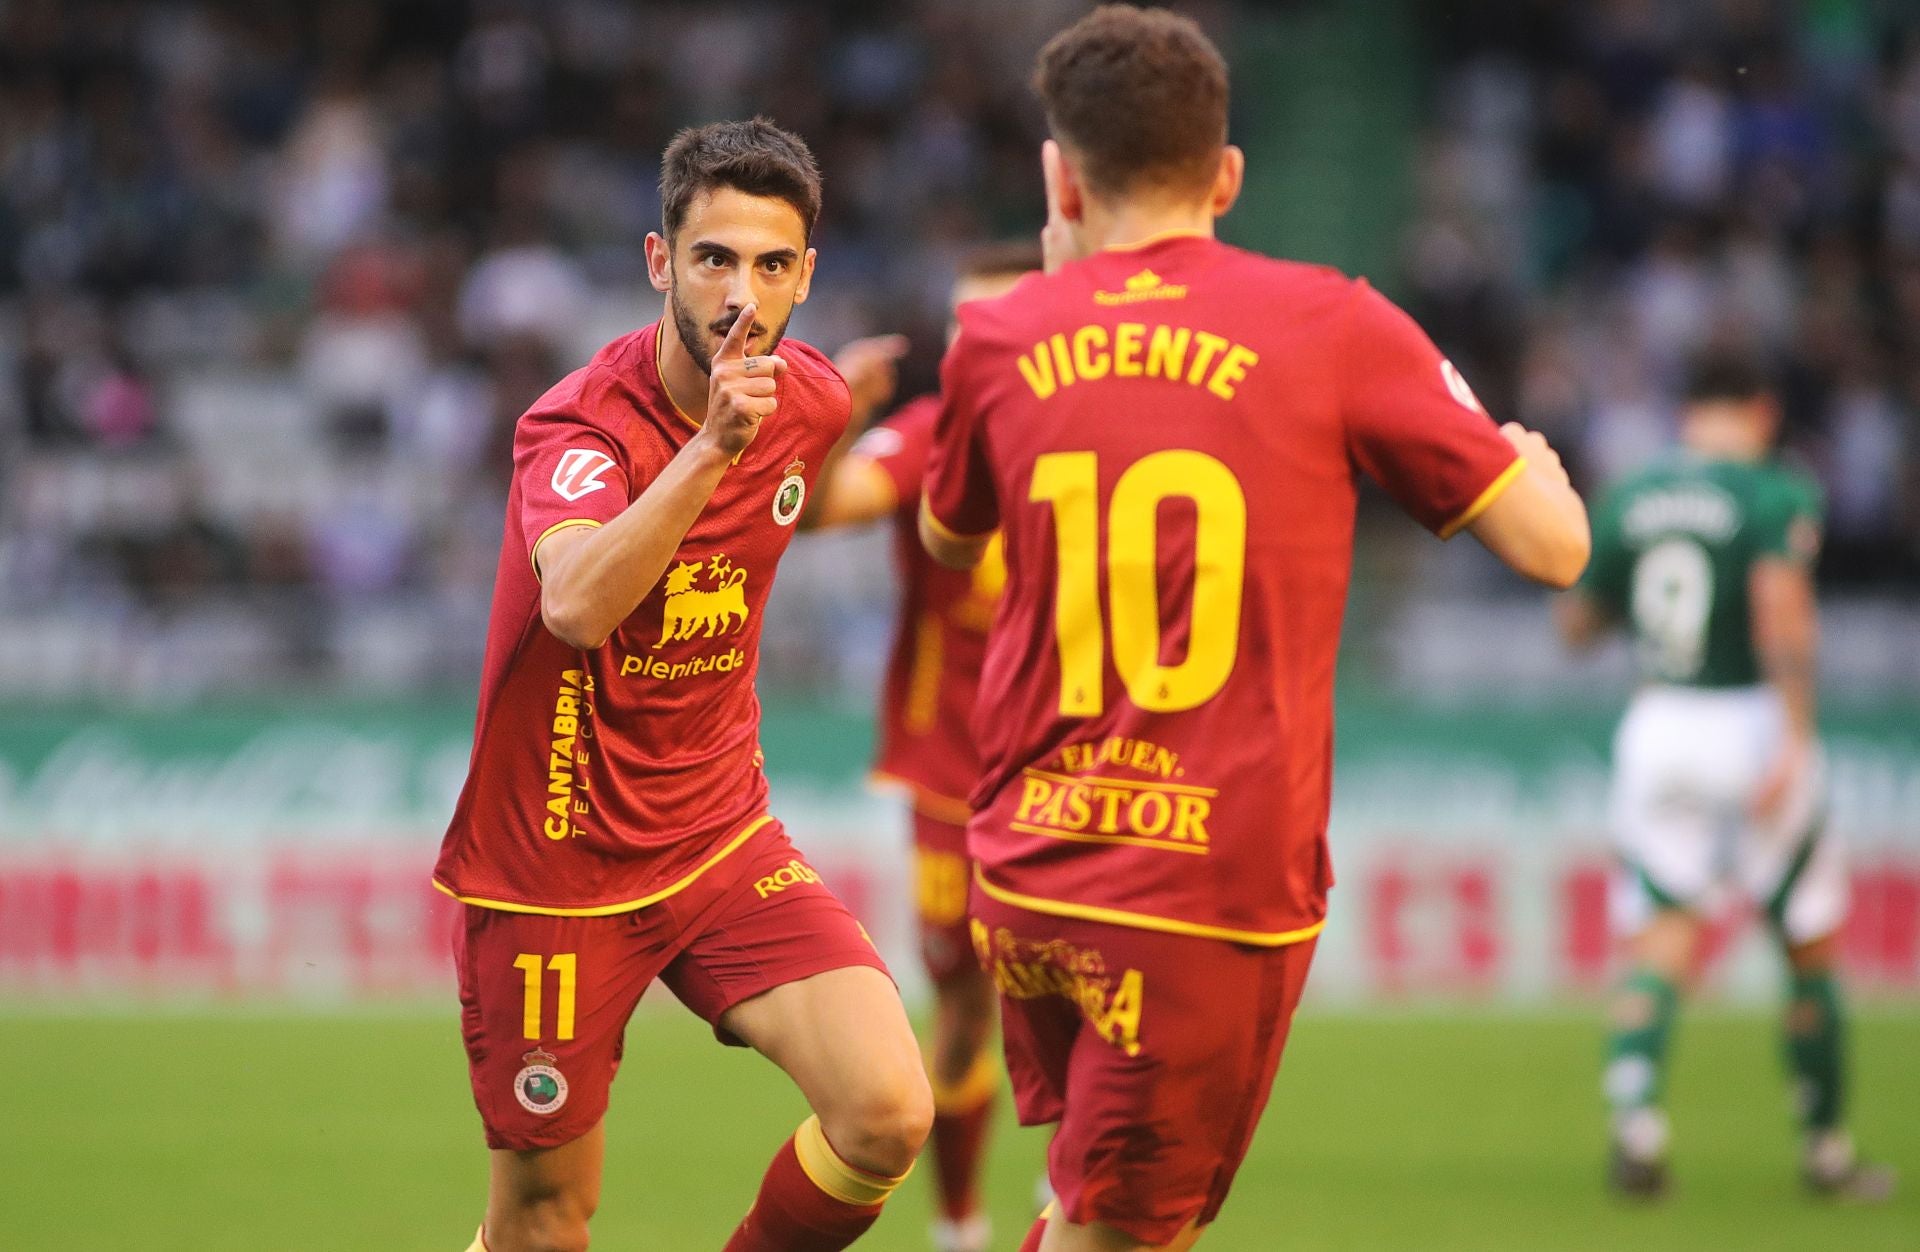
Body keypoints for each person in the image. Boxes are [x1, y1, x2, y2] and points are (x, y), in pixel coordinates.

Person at [917, 8, 1591, 1250]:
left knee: (1087, 1205)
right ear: (1227, 176)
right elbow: (1555, 551)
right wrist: (1533, 461)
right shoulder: (1330, 322)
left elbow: (949, 538)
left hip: (1024, 871)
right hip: (1200, 895)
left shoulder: (998, 338)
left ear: (1061, 176)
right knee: (1126, 1231)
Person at [432, 117, 932, 1252]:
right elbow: (577, 605)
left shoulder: (803, 399)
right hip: (551, 869)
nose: (740, 295)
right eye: (713, 259)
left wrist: (837, 420)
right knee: (545, 1219)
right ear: (661, 263)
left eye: (770, 265)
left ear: (808, 275)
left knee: (886, 1112)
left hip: (716, 839)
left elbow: (821, 457)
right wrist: (711, 449)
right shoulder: (577, 429)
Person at [1555, 350, 1896, 1203]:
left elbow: (1576, 624)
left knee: (1662, 937)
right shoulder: (1774, 491)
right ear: (1763, 409)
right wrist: (1795, 731)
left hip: (1660, 719)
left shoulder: (1631, 497)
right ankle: (1825, 1151)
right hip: (1746, 713)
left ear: (1685, 412)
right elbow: (1780, 603)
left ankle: (1636, 1120)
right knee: (1806, 937)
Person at [805, 241, 1046, 1252]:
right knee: (960, 1007)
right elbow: (821, 509)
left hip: (1083, 769)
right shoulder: (932, 434)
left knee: (1074, 1009)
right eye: (961, 327)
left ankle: (1074, 1210)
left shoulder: (1107, 436)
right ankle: (961, 1225)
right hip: (952, 772)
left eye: (995, 324)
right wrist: (843, 411)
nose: (971, 346)